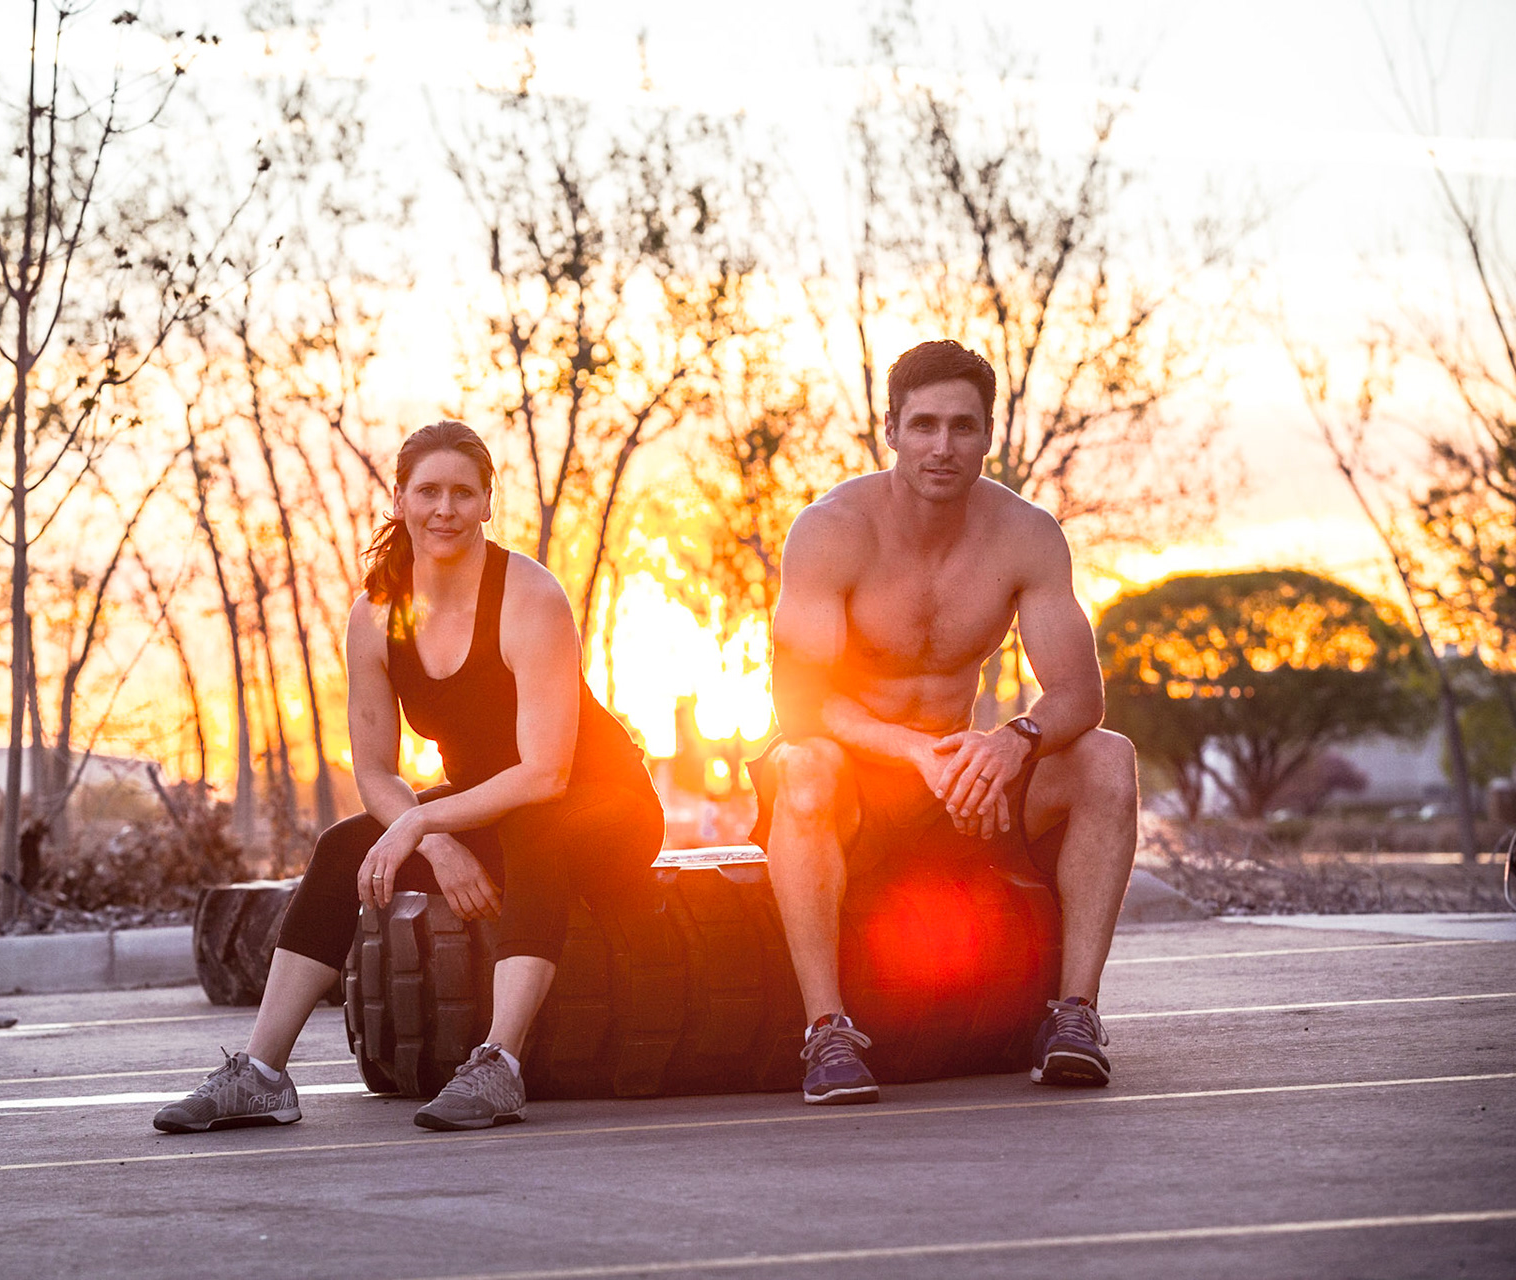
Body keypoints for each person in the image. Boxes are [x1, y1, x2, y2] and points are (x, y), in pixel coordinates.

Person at [153, 420, 664, 1134]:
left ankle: (499, 1065)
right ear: (398, 499)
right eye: (428, 492)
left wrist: (425, 820)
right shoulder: (376, 616)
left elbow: (547, 774)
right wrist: (430, 839)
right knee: (341, 848)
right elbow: (375, 772)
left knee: (534, 829)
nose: (444, 509)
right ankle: (262, 1075)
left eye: (463, 493)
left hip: (601, 804)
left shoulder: (530, 597)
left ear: (489, 502)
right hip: (488, 809)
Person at [752, 339, 1140, 1105]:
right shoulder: (831, 531)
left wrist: (1010, 741)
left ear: (989, 434)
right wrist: (917, 752)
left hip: (960, 788)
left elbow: (1078, 695)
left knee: (1107, 758)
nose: (942, 447)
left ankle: (1074, 1015)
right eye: (923, 424)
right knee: (800, 766)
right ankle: (826, 1031)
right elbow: (799, 705)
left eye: (963, 427)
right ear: (890, 428)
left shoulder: (1025, 535)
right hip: (856, 781)